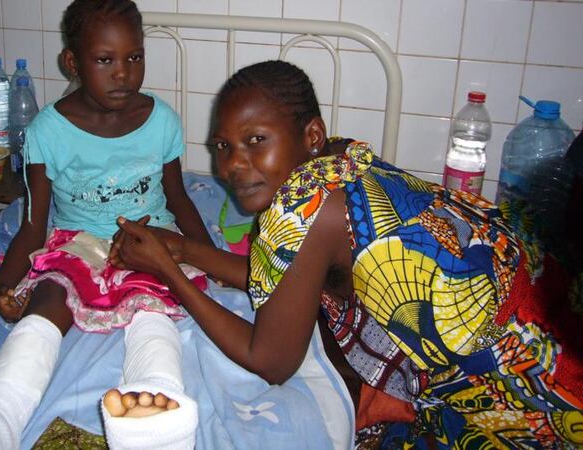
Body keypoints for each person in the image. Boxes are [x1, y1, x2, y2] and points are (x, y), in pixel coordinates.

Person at [112, 60, 583, 449]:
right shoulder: (342, 159)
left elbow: (271, 361)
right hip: (550, 301)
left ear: (311, 135)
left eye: (256, 140)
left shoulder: (301, 209)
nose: (232, 164)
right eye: (222, 146)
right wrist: (184, 246)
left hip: (534, 385)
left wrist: (169, 271)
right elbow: (274, 276)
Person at [0, 1, 211, 449]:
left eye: (134, 57)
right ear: (72, 62)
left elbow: (178, 198)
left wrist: (207, 256)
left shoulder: (161, 120)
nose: (123, 73)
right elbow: (33, 222)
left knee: (151, 309)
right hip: (76, 239)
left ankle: (154, 410)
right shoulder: (46, 130)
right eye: (105, 60)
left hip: (148, 237)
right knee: (46, 304)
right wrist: (3, 284)